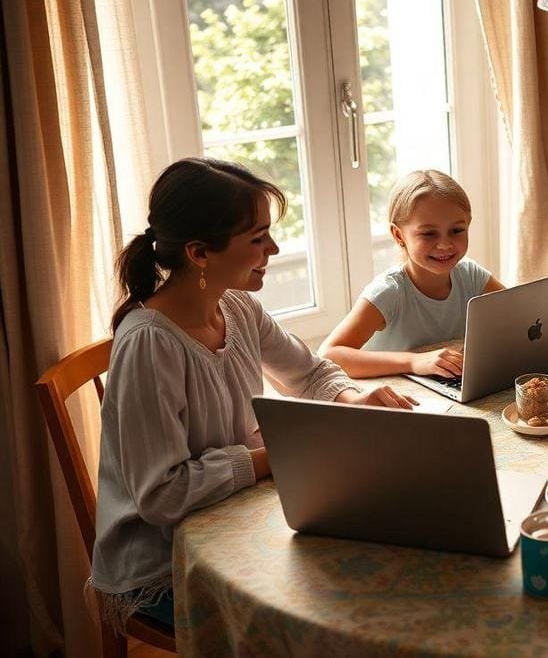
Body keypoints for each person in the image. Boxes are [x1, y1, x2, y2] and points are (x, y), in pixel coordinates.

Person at [91, 158, 417, 630]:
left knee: (378, 549)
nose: (275, 247)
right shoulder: (150, 344)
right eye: (257, 238)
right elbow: (161, 495)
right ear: (200, 253)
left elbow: (309, 374)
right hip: (163, 564)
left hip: (233, 509)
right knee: (330, 599)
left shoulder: (237, 306)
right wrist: (276, 453)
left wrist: (354, 401)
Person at [319, 170, 503, 378]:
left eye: (457, 231)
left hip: (445, 388)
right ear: (399, 235)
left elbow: (521, 317)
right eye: (428, 234)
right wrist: (413, 361)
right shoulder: (389, 292)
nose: (445, 244)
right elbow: (328, 355)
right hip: (396, 399)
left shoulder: (471, 276)